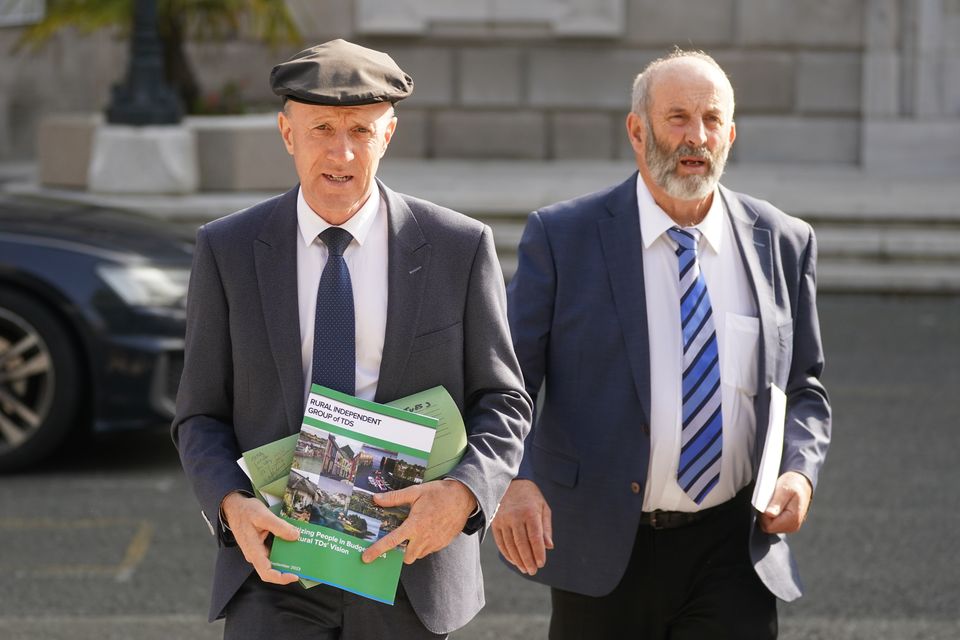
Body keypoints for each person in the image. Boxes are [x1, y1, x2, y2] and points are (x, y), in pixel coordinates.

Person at [172, 39, 531, 640]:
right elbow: (199, 415)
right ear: (287, 134)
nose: (341, 153)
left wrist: (465, 495)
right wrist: (232, 507)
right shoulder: (228, 250)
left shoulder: (458, 248)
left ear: (388, 135)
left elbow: (505, 402)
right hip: (275, 571)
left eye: (361, 131)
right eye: (320, 130)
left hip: (410, 570)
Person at [492, 49, 831, 639]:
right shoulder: (564, 238)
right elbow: (507, 380)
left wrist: (799, 471)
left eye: (711, 120)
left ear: (731, 133)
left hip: (732, 549)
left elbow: (803, 388)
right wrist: (514, 478)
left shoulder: (783, 241)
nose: (695, 137)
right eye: (676, 117)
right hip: (602, 547)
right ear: (636, 128)